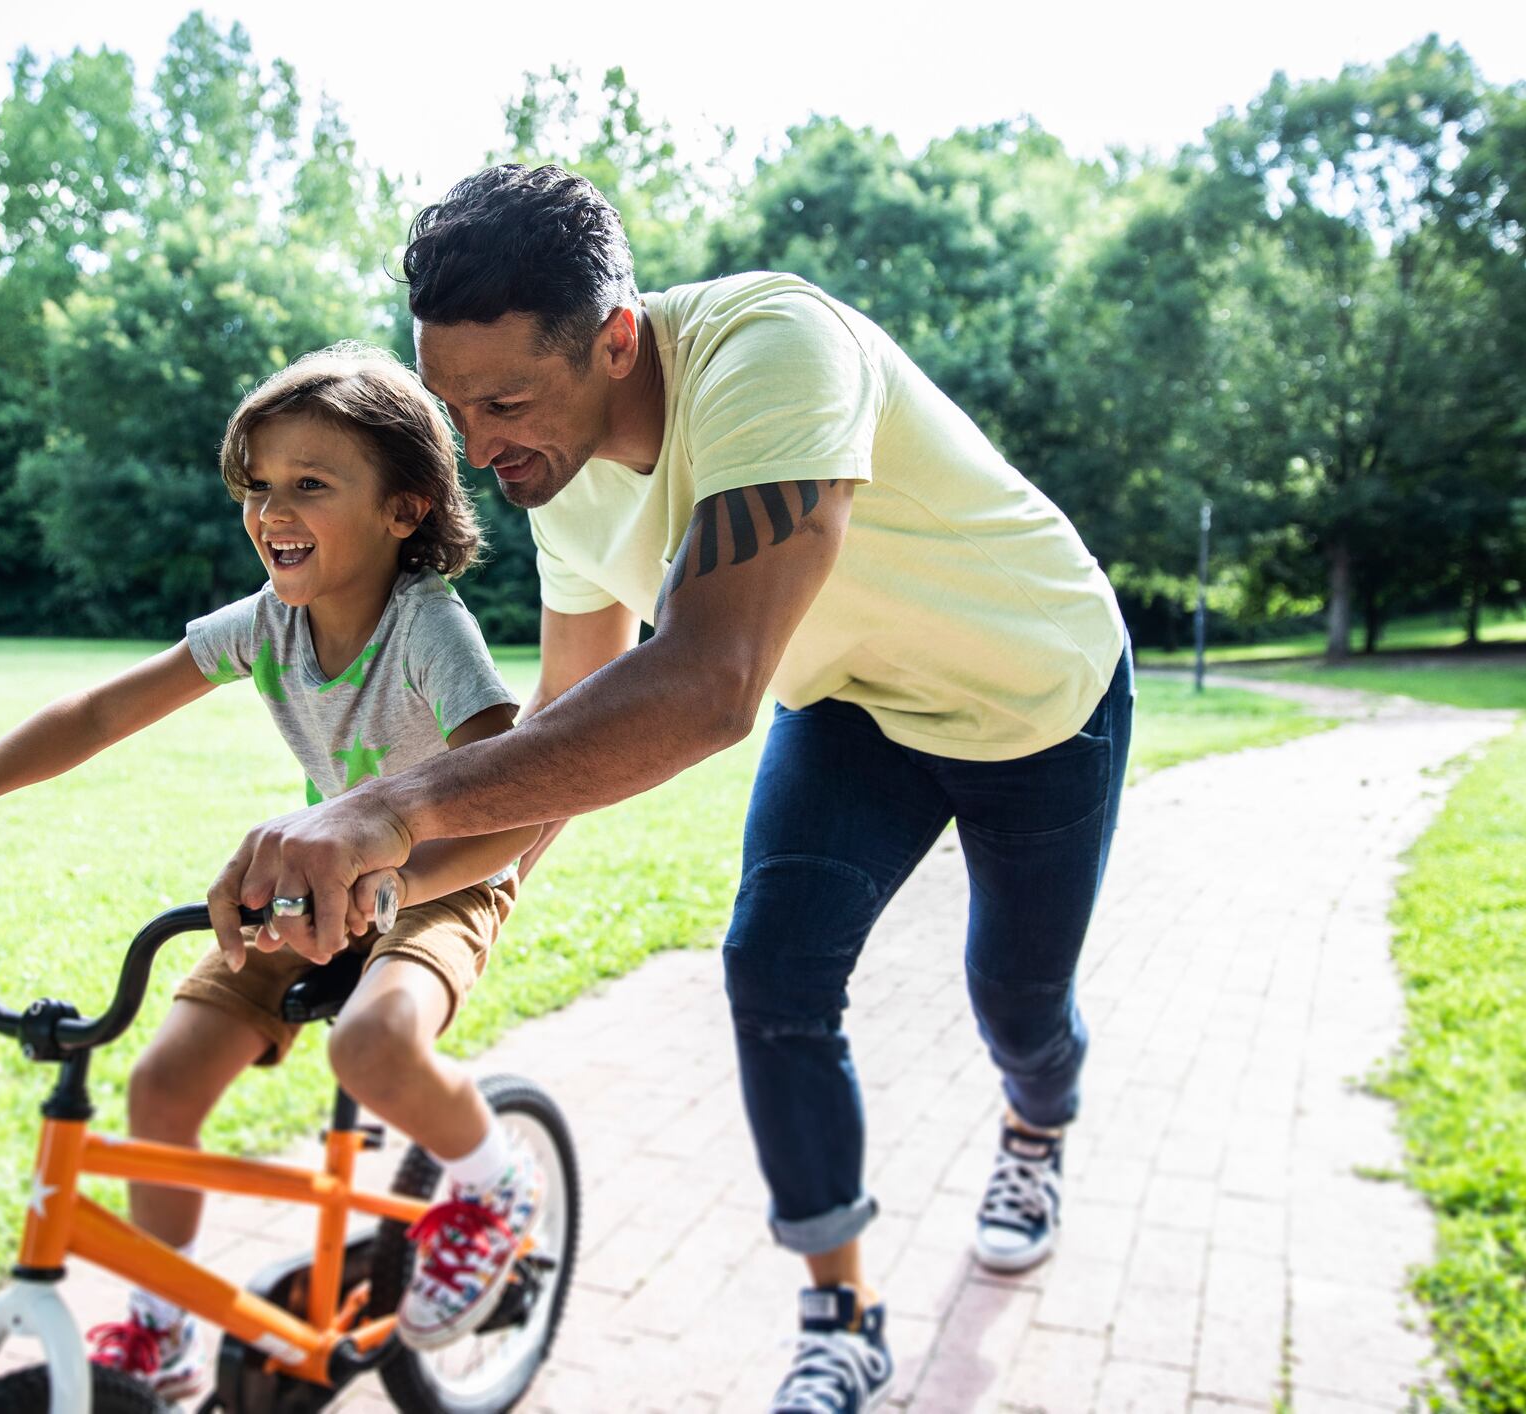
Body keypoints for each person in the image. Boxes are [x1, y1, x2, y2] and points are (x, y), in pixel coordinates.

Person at [207, 166, 1134, 1414]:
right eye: (453, 405)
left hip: (1037, 696)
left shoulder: (773, 348)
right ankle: (841, 1316)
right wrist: (410, 899)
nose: (479, 448)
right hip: (854, 705)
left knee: (1016, 1001)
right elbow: (562, 731)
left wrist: (385, 810)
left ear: (618, 339)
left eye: (506, 401)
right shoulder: (557, 471)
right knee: (772, 972)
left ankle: (1038, 1121)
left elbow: (706, 684)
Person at [0, 343, 546, 1401]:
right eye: (258, 486)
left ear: (405, 509)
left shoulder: (429, 627)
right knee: (159, 1082)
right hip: (315, 874)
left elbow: (514, 795)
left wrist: (396, 882)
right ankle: (163, 1324)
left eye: (310, 484)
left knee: (372, 1042)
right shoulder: (268, 623)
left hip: (445, 875)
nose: (272, 508)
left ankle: (493, 1187)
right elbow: (97, 711)